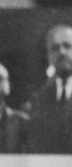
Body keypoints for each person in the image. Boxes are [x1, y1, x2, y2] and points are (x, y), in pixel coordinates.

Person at [24, 24, 72, 154]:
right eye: (55, 48)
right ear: (49, 55)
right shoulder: (37, 98)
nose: (61, 52)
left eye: (67, 46)